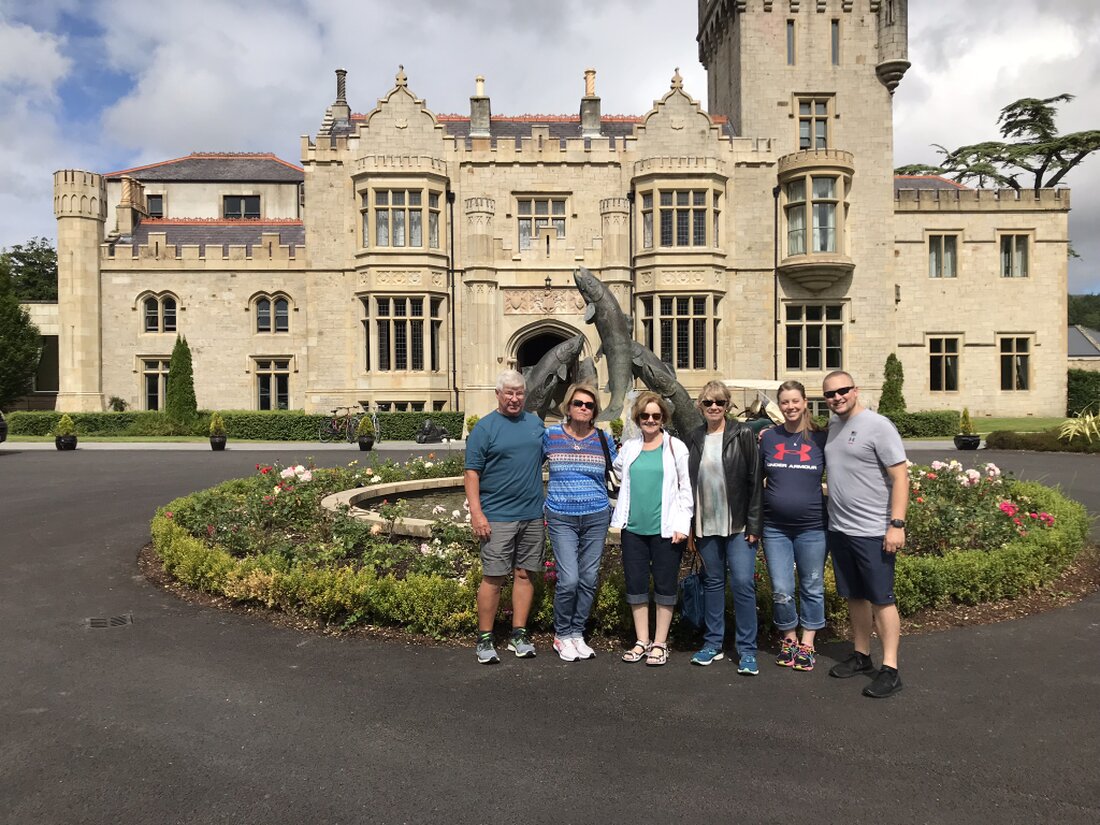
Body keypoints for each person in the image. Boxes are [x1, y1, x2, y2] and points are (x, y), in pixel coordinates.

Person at [821, 370, 909, 698]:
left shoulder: (878, 425)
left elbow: (900, 477)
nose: (837, 397)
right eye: (830, 394)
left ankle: (890, 668)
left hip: (874, 530)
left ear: (855, 391)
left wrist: (896, 524)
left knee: (882, 599)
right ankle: (861, 655)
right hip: (841, 528)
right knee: (855, 596)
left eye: (843, 390)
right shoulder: (833, 426)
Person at [465, 370, 546, 664]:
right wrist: (477, 513)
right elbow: (472, 472)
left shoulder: (535, 423)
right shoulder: (485, 428)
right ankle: (485, 638)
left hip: (532, 514)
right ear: (498, 394)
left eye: (519, 393)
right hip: (497, 515)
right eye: (509, 393)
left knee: (525, 574)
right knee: (494, 577)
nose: (514, 398)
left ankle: (519, 634)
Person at [685, 381, 764, 674]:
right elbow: (688, 484)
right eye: (708, 403)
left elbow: (755, 482)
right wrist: (691, 525)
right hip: (707, 524)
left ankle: (747, 650)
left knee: (743, 584)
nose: (714, 407)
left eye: (719, 402)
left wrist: (755, 524)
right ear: (700, 406)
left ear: (728, 405)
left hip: (739, 524)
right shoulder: (694, 437)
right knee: (713, 584)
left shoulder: (743, 434)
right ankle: (713, 644)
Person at [611, 392, 693, 666]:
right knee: (636, 585)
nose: (650, 420)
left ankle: (659, 642)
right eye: (645, 415)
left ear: (663, 419)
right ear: (638, 418)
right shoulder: (630, 448)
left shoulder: (675, 447)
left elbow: (685, 489)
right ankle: (641, 640)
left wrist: (683, 524)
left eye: (655, 416)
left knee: (665, 585)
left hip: (666, 530)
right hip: (633, 529)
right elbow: (619, 473)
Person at [543, 383, 617, 661]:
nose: (583, 408)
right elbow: (529, 467)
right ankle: (561, 634)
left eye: (589, 404)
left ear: (595, 409)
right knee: (569, 579)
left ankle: (576, 632)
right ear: (568, 406)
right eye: (578, 403)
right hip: (561, 516)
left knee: (588, 578)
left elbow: (622, 472)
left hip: (596, 515)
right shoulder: (551, 436)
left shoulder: (603, 438)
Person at [760, 380, 828, 672]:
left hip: (813, 527)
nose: (790, 407)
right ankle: (789, 638)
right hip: (775, 528)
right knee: (782, 589)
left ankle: (808, 643)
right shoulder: (768, 438)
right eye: (785, 402)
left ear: (805, 402)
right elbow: (753, 478)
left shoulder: (821, 439)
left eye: (795, 401)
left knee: (812, 586)